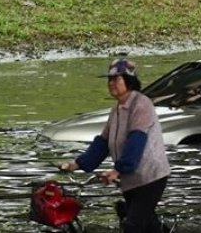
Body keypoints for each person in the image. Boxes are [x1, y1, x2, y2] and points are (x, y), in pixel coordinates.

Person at [59, 57, 171, 233]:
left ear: (129, 81)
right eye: (109, 80)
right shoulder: (117, 109)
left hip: (150, 177)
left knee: (132, 225)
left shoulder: (141, 104)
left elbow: (136, 141)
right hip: (130, 179)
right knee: (148, 225)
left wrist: (117, 170)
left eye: (116, 79)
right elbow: (103, 143)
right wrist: (77, 164)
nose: (111, 83)